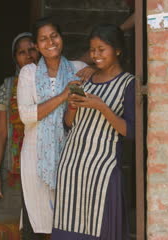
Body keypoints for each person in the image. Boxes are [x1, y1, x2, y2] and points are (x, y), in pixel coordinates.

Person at [51, 24, 135, 239]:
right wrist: (71, 104)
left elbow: (130, 131)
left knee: (98, 228)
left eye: (101, 49)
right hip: (72, 167)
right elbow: (69, 123)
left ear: (117, 50)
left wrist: (102, 107)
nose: (95, 55)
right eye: (92, 50)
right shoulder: (86, 80)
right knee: (68, 227)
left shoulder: (129, 84)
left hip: (102, 170)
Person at [17, 17, 95, 238]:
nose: (50, 42)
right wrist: (63, 96)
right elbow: (27, 115)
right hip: (35, 161)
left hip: (71, 157)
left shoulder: (78, 69)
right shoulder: (29, 73)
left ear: (61, 38)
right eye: (43, 39)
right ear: (36, 45)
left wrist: (92, 70)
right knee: (37, 223)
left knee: (68, 222)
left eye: (54, 36)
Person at [0, 32, 39, 240]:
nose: (28, 56)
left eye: (31, 50)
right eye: (21, 52)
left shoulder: (51, 82)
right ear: (14, 58)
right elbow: (0, 133)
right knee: (10, 228)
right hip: (13, 171)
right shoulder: (8, 87)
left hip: (44, 171)